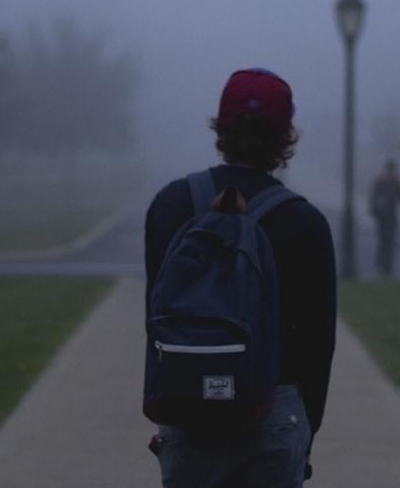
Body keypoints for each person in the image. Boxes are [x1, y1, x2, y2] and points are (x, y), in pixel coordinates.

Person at [144, 68, 336, 487]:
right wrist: (305, 429)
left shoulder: (170, 205)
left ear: (222, 128)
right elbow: (318, 345)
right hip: (273, 412)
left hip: (188, 411)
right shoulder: (305, 223)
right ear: (285, 137)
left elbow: (155, 319)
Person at [369, 159, 400, 277]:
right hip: (384, 217)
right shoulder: (384, 182)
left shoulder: (391, 182)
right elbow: (374, 197)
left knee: (388, 242)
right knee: (384, 242)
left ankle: (386, 266)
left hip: (389, 217)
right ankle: (383, 266)